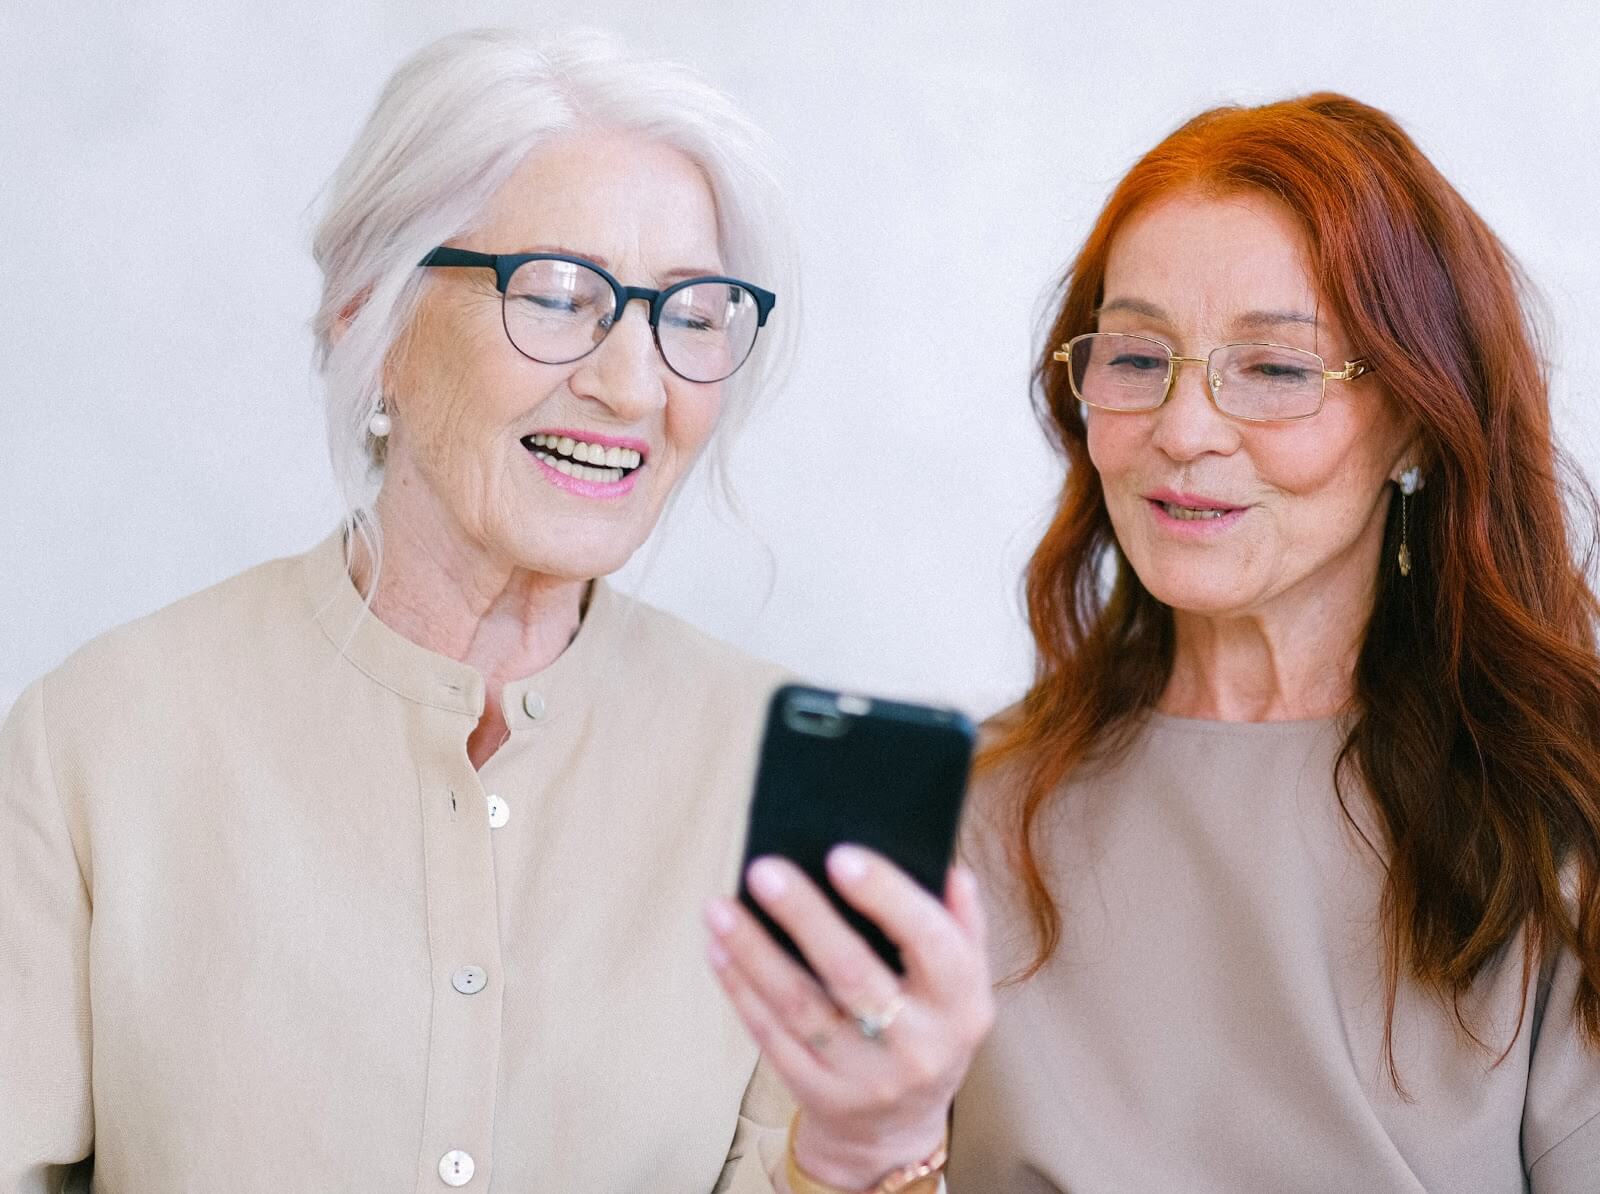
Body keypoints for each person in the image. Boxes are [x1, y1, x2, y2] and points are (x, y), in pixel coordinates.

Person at [0, 29, 988, 1193]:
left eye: (693, 313)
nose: (632, 385)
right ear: (370, 320)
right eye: (559, 295)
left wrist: (865, 1150)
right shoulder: (97, 737)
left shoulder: (768, 765)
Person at [948, 93, 1600, 1191]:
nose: (1184, 430)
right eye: (1136, 358)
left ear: (1416, 421)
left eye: (1277, 370)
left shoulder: (1559, 815)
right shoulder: (966, 808)